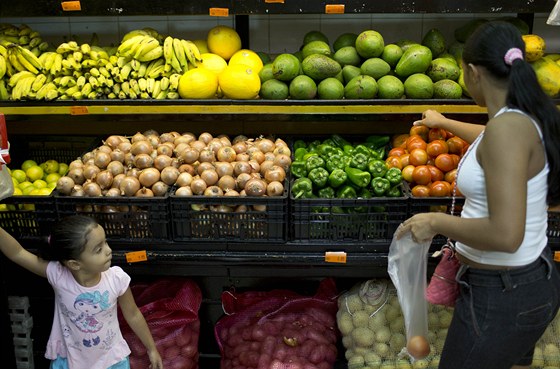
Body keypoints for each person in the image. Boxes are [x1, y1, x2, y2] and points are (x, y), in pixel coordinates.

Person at [396, 21, 560, 369]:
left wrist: (436, 221)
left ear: (472, 72)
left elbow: (506, 235)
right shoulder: (520, 117)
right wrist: (444, 121)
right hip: (521, 285)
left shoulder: (507, 130)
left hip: (503, 295)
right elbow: (490, 136)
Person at [0, 215, 163, 369]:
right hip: (69, 361)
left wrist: (151, 348)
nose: (108, 250)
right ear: (75, 264)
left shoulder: (116, 279)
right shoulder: (59, 276)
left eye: (105, 243)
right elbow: (17, 253)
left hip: (112, 360)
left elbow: (133, 314)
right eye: (98, 249)